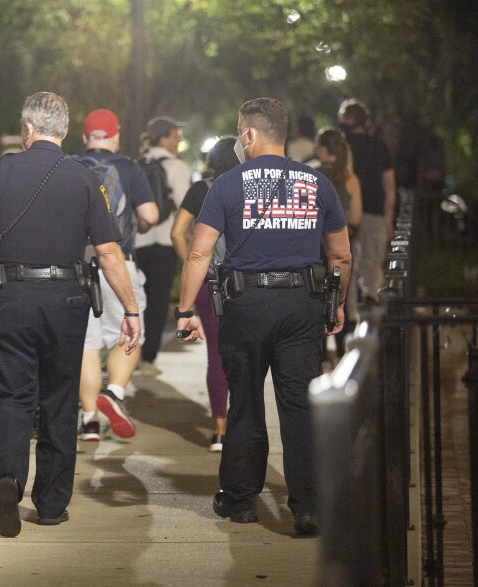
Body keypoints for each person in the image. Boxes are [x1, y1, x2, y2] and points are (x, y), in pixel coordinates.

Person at [0, 92, 140, 538]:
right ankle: (51, 504)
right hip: (67, 299)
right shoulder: (84, 178)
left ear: (26, 129)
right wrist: (129, 309)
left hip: (10, 297)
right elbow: (108, 251)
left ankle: (8, 478)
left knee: (11, 395)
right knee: (59, 396)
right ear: (65, 130)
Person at [174, 98, 351, 536]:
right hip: (301, 307)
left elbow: (199, 252)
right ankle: (307, 507)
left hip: (246, 305)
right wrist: (337, 304)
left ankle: (240, 501)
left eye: (239, 132)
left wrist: (184, 309)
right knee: (298, 407)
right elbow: (341, 254)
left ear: (249, 134)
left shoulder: (227, 186)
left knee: (246, 403)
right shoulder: (318, 184)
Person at [75, 109, 158, 441]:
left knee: (86, 345)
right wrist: (141, 225)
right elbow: (149, 214)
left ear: (84, 137)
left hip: (78, 265)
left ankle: (89, 420)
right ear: (115, 136)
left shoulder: (71, 166)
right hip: (119, 263)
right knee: (129, 333)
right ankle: (115, 393)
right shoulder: (129, 167)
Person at [169, 137, 240, 452]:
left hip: (209, 283)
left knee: (216, 353)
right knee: (246, 356)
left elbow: (176, 232)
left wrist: (193, 265)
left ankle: (220, 431)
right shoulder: (249, 188)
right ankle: (243, 425)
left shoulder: (201, 190)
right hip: (245, 283)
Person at [134, 116, 191, 376]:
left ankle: (130, 354)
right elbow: (186, 207)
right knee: (157, 302)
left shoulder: (136, 165)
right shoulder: (177, 168)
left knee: (136, 301)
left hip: (138, 241)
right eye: (176, 136)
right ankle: (148, 359)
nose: (178, 141)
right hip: (166, 242)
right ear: (165, 138)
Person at [338, 99, 395, 303]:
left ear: (348, 119)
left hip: (345, 212)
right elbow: (389, 187)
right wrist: (389, 219)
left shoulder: (341, 147)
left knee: (346, 263)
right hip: (374, 211)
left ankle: (350, 312)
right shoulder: (379, 147)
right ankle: (373, 311)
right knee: (372, 263)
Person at [314, 127, 363, 362]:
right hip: (343, 244)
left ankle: (322, 354)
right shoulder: (350, 179)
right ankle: (343, 353)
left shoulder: (313, 175)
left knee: (318, 296)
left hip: (316, 247)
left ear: (322, 150)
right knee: (341, 295)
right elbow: (356, 218)